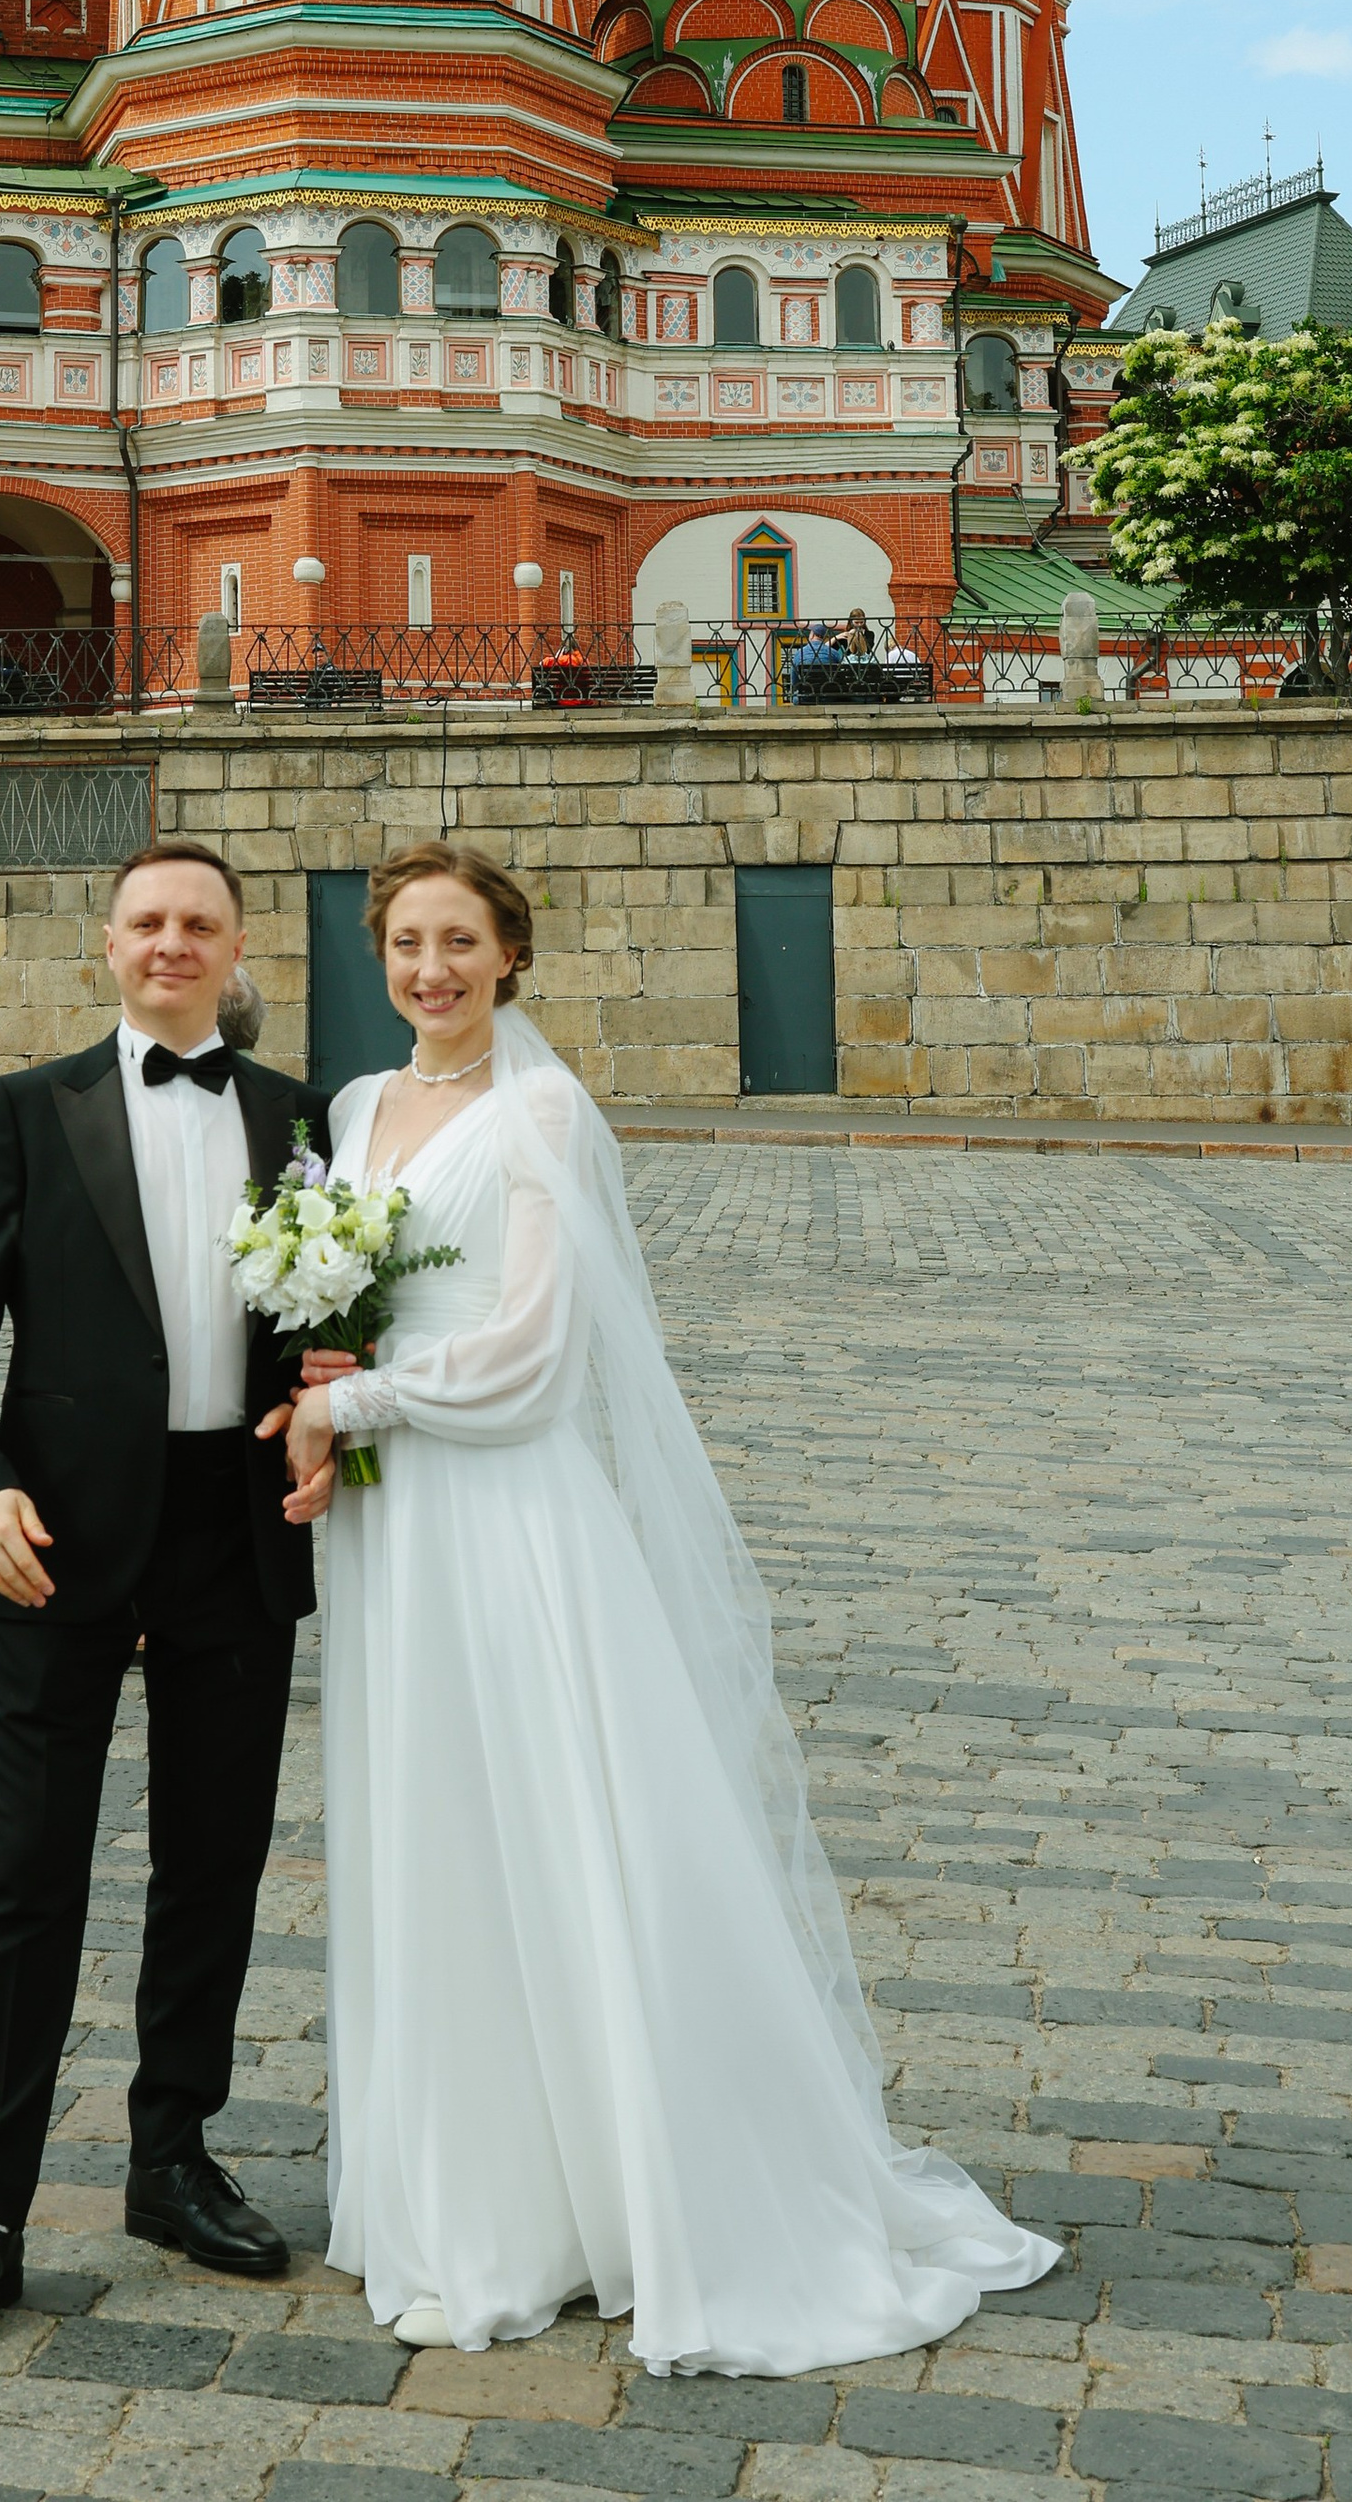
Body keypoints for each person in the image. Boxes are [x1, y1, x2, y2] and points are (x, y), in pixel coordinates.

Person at [280, 845, 1060, 2376]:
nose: (430, 970)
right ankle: (468, 2194)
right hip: (392, 1530)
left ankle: (603, 2199)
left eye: (461, 943)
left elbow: (534, 1355)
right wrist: (324, 1395)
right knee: (430, 1829)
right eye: (407, 944)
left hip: (508, 1514)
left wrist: (357, 1399)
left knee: (551, 1825)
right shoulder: (357, 1112)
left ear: (512, 956)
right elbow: (336, 1302)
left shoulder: (547, 1111)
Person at [0, 842, 332, 2362]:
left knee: (211, 1869)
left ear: (233, 945)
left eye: (197, 923)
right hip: (61, 1537)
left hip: (236, 1530)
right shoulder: (29, 1109)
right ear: (109, 943)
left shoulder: (298, 1118)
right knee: (27, 1881)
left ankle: (172, 2160)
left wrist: (330, 1399)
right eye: (148, 921)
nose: (171, 943)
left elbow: (327, 1328)